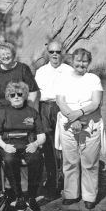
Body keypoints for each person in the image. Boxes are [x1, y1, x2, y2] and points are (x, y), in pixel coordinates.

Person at [55, 48, 105, 210]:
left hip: (90, 124)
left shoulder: (94, 79)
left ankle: (89, 196)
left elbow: (95, 103)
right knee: (70, 161)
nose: (81, 64)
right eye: (78, 60)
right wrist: (72, 118)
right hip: (68, 124)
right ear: (72, 61)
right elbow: (60, 101)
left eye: (84, 61)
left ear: (89, 63)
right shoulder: (63, 78)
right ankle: (71, 194)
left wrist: (79, 114)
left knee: (89, 162)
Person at [0, 81, 46, 211]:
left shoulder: (32, 112)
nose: (16, 97)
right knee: (10, 160)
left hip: (28, 144)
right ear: (8, 97)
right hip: (9, 145)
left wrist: (35, 144)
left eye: (19, 94)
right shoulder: (3, 112)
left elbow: (42, 136)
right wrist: (5, 146)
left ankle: (31, 197)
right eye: (13, 95)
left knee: (36, 159)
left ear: (25, 95)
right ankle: (19, 197)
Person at [35, 41, 73, 193]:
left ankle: (65, 178)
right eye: (51, 52)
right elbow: (36, 95)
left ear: (62, 53)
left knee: (65, 144)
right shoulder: (41, 71)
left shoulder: (70, 70)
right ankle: (51, 178)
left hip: (63, 107)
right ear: (47, 53)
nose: (55, 54)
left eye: (58, 51)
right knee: (48, 145)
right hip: (45, 107)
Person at [0, 41, 39, 115]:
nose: (6, 56)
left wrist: (28, 110)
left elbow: (33, 91)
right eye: (2, 54)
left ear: (13, 54)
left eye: (8, 53)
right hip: (1, 113)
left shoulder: (23, 68)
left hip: (22, 111)